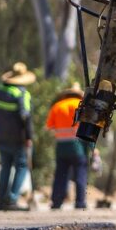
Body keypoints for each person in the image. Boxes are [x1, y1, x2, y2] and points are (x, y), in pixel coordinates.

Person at [0, 62, 36, 211]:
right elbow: (25, 116)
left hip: (1, 136)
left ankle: (0, 201)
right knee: (22, 166)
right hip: (18, 138)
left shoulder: (0, 90)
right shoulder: (22, 93)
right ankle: (11, 199)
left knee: (5, 167)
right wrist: (29, 136)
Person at [45, 82, 89, 210]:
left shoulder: (57, 106)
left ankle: (56, 202)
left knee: (61, 174)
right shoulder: (83, 106)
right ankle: (80, 202)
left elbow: (49, 127)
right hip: (78, 146)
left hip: (62, 146)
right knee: (80, 173)